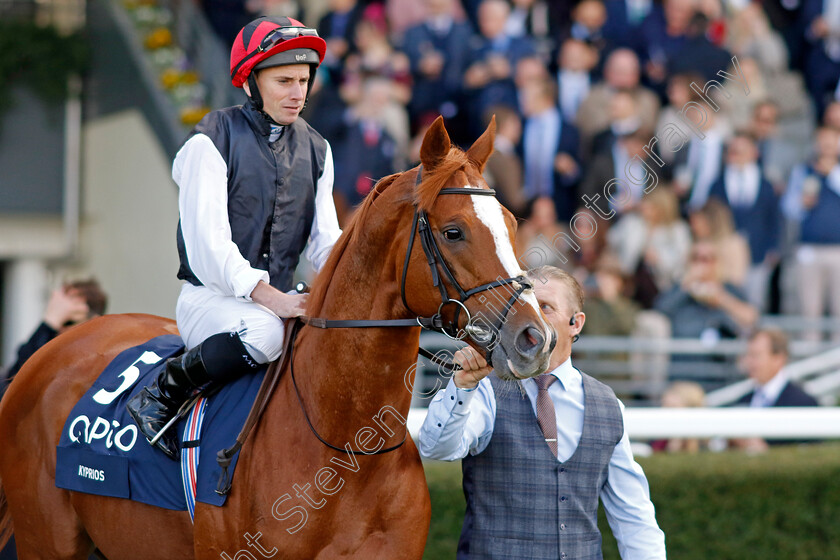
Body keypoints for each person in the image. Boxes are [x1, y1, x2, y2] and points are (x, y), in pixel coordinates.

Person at [126, 16, 342, 459]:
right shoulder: (209, 141)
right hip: (212, 300)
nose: (297, 92)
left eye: (303, 80)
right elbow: (208, 250)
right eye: (283, 80)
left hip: (277, 301)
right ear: (250, 82)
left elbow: (325, 243)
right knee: (267, 334)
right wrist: (273, 299)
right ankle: (162, 393)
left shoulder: (318, 148)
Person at [419, 266, 666, 559]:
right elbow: (436, 448)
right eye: (524, 306)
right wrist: (460, 387)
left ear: (576, 323)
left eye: (545, 307)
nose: (531, 317)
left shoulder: (608, 405)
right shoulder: (484, 389)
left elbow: (634, 518)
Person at [1, 279, 108, 397]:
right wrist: (49, 323)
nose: (59, 331)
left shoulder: (104, 364)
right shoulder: (47, 348)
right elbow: (12, 387)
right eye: (57, 322)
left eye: (68, 322)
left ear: (94, 324)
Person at [732, 329, 819, 450]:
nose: (749, 362)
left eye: (756, 355)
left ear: (778, 358)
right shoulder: (743, 399)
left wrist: (766, 452)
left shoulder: (803, 403)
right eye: (748, 355)